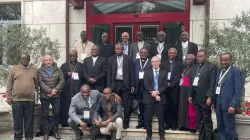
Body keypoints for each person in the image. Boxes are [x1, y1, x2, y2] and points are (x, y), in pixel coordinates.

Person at [6, 53, 38, 140]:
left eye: (26, 59)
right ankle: (17, 138)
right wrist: (8, 97)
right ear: (20, 59)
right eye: (22, 59)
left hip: (30, 101)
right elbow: (9, 84)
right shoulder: (14, 69)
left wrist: (36, 99)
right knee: (18, 123)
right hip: (16, 101)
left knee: (29, 123)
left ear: (29, 59)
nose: (24, 60)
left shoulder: (34, 70)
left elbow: (36, 85)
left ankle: (29, 138)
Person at [212, 52, 242, 140]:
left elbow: (238, 91)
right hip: (218, 103)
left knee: (229, 128)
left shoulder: (236, 71)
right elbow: (216, 87)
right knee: (220, 126)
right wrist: (214, 102)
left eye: (226, 60)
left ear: (230, 60)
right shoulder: (219, 71)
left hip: (229, 105)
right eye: (221, 60)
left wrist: (233, 105)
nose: (223, 62)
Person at [188, 50, 217, 140]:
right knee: (199, 120)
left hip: (205, 98)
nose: (200, 58)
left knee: (207, 120)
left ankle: (208, 138)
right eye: (198, 56)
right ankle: (201, 137)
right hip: (196, 98)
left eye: (202, 56)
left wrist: (209, 96)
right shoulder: (194, 67)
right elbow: (191, 82)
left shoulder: (211, 67)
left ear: (206, 56)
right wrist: (190, 95)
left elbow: (212, 83)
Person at [107, 43, 135, 129]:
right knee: (114, 104)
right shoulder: (110, 59)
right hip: (115, 84)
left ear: (123, 50)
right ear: (115, 49)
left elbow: (132, 72)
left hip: (126, 84)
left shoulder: (128, 58)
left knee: (127, 104)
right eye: (116, 49)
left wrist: (133, 85)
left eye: (119, 49)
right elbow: (109, 74)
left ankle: (126, 122)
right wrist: (109, 87)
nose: (118, 50)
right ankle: (113, 122)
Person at [38, 55, 65, 140]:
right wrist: (50, 91)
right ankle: (46, 133)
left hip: (56, 96)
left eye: (50, 60)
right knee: (45, 114)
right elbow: (40, 83)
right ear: (43, 61)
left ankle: (55, 131)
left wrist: (54, 91)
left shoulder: (58, 69)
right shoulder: (39, 71)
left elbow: (62, 81)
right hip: (44, 96)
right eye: (46, 60)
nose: (48, 62)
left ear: (52, 60)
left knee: (56, 114)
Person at [143, 56, 168, 140]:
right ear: (151, 63)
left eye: (156, 61)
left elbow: (165, 86)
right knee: (148, 118)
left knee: (161, 118)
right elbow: (146, 85)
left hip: (160, 98)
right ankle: (149, 135)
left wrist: (157, 92)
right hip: (149, 98)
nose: (155, 63)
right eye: (153, 61)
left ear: (159, 62)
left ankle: (161, 135)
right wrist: (154, 93)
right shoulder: (147, 72)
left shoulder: (164, 72)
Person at [59, 50, 84, 127]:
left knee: (78, 106)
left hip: (77, 89)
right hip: (66, 90)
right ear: (69, 56)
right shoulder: (64, 65)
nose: (72, 57)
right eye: (71, 56)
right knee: (66, 105)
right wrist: (67, 74)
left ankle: (78, 122)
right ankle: (65, 122)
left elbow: (84, 78)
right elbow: (59, 76)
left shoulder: (81, 65)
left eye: (74, 56)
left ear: (77, 56)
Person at [161, 48, 182, 130]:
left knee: (174, 106)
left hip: (174, 88)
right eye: (170, 53)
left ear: (176, 54)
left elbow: (178, 76)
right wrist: (166, 83)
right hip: (165, 88)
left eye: (173, 53)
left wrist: (172, 84)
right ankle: (167, 123)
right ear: (168, 54)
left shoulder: (179, 64)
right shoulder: (163, 63)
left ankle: (174, 124)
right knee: (166, 106)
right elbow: (161, 73)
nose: (172, 54)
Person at [178, 54, 197, 133]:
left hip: (190, 91)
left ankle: (191, 127)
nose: (188, 60)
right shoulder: (183, 68)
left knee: (190, 110)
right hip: (182, 91)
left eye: (190, 59)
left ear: (193, 60)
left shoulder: (195, 68)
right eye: (187, 59)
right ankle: (182, 125)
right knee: (182, 108)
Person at [134, 48, 152, 129]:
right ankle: (140, 122)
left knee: (147, 106)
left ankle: (146, 123)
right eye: (141, 52)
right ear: (139, 54)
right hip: (138, 87)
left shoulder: (151, 62)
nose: (143, 54)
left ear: (147, 54)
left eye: (145, 52)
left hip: (147, 88)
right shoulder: (136, 62)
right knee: (140, 106)